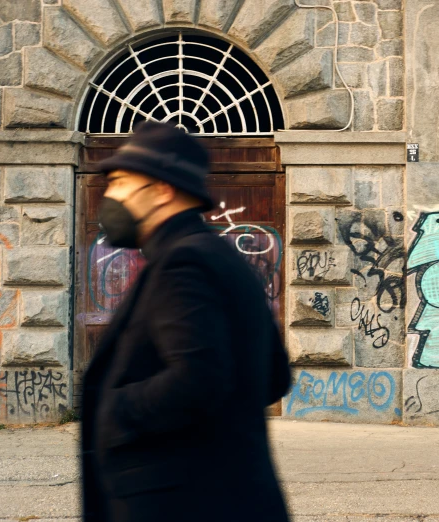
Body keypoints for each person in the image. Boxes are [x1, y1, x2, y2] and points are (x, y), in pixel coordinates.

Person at [80, 121, 291, 522]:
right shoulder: (224, 258)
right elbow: (274, 376)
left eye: (121, 182)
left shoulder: (182, 263)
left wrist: (114, 407)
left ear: (161, 190)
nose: (109, 194)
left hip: (182, 503)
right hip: (238, 497)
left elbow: (199, 378)